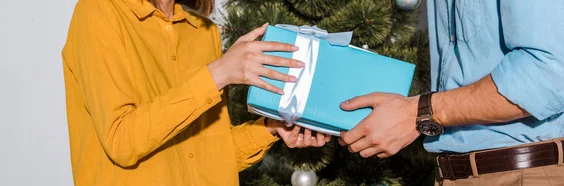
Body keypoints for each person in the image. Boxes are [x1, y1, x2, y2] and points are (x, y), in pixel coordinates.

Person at [61, 0, 331, 185]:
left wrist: (270, 127)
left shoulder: (204, 33)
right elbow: (122, 140)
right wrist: (218, 73)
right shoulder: (98, 11)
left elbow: (210, 153)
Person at [339, 1, 564, 185]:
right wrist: (312, 109)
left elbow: (550, 72)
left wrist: (419, 113)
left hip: (526, 171)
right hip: (451, 173)